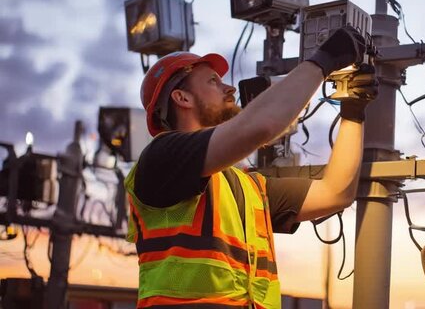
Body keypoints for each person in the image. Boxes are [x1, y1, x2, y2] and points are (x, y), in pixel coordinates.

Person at [125, 26, 378, 309]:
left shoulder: (249, 187)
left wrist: (353, 112)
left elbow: (336, 193)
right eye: (212, 81)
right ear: (181, 98)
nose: (229, 88)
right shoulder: (162, 158)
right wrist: (325, 59)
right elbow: (261, 126)